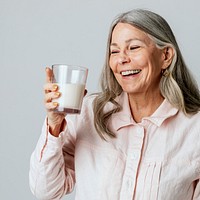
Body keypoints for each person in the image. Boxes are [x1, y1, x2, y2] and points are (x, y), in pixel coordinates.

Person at [29, 9, 200, 200]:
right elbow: (47, 191)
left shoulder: (195, 127)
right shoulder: (88, 112)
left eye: (133, 48)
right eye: (114, 51)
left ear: (166, 55)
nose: (121, 59)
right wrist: (54, 124)